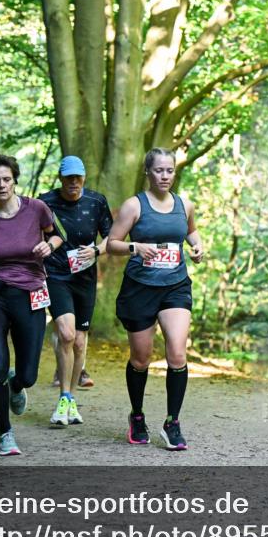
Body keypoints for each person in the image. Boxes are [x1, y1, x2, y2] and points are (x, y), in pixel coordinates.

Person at [101, 148, 204, 450]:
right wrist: (135, 247)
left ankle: (172, 423)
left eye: (169, 171)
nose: (164, 176)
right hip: (140, 288)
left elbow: (192, 233)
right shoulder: (134, 205)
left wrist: (197, 248)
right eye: (158, 170)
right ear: (148, 172)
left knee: (177, 353)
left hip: (175, 286)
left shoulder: (185, 204)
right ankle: (137, 415)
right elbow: (111, 243)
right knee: (141, 358)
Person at [0, 154, 62, 456]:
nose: (2, 184)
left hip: (30, 294)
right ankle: (5, 433)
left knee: (28, 374)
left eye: (6, 179)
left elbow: (58, 236)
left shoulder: (37, 209)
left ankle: (16, 386)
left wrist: (49, 245)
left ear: (15, 179)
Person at [40, 156, 113, 428]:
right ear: (60, 178)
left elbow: (112, 236)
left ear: (84, 178)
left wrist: (96, 250)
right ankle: (62, 397)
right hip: (56, 274)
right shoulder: (44, 202)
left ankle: (70, 398)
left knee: (80, 342)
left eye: (77, 177)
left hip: (85, 276)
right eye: (68, 177)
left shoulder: (96, 202)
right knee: (66, 334)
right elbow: (31, 233)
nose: (73, 182)